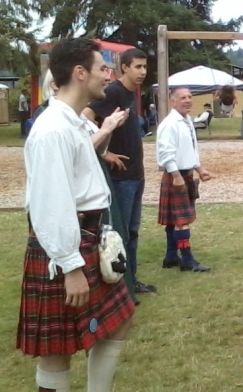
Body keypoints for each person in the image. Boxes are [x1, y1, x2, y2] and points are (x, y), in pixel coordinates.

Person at [17, 37, 135, 392]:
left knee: (119, 321)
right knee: (57, 349)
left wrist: (106, 131)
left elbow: (81, 156)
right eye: (103, 68)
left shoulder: (70, 121)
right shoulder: (52, 130)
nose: (108, 75)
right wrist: (70, 267)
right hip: (68, 247)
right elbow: (50, 203)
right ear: (80, 73)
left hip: (89, 238)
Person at [84, 48, 156, 295]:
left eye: (145, 67)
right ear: (124, 67)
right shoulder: (113, 91)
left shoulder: (130, 93)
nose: (143, 72)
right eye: (138, 67)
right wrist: (104, 153)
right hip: (121, 178)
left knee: (132, 232)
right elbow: (85, 117)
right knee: (121, 234)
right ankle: (121, 288)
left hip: (136, 175)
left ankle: (131, 280)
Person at [156, 87, 212, 272]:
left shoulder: (187, 121)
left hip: (186, 174)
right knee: (181, 221)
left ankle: (171, 257)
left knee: (175, 220)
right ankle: (187, 260)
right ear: (173, 101)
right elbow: (165, 153)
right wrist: (176, 175)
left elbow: (190, 149)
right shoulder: (170, 124)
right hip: (176, 176)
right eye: (182, 98)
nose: (187, 100)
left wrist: (200, 169)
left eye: (189, 97)